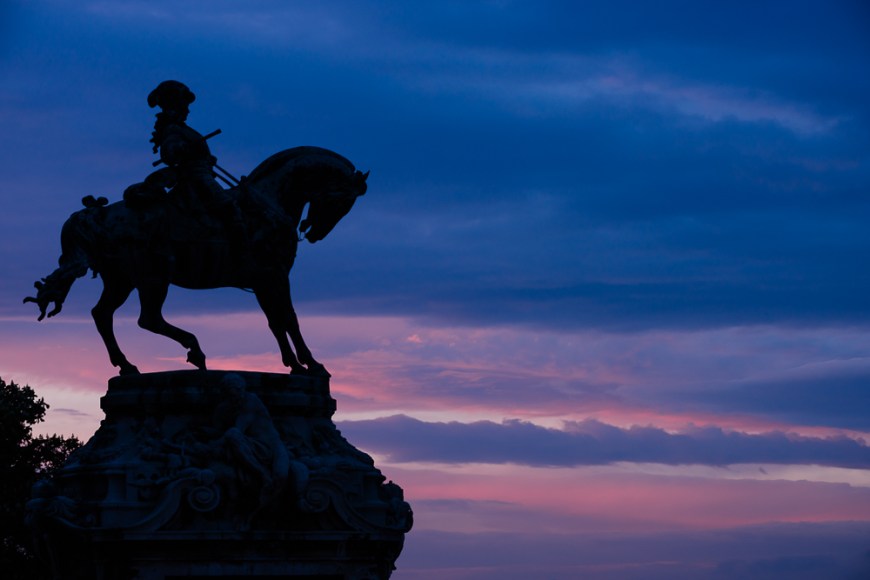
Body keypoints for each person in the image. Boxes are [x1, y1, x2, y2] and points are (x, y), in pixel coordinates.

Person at [139, 80, 245, 240]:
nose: (188, 110)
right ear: (176, 104)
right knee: (228, 206)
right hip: (196, 177)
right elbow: (169, 154)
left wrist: (206, 158)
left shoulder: (182, 129)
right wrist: (181, 149)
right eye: (185, 105)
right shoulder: (172, 129)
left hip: (204, 173)